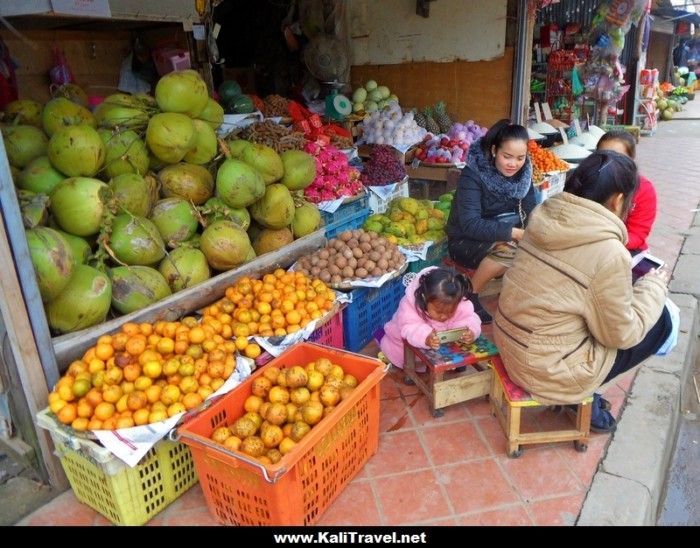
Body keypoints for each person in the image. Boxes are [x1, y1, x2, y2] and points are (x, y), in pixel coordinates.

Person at [494, 150, 672, 433]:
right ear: (618, 200)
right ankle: (584, 395)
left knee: (592, 312)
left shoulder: (542, 214)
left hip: (509, 344)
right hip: (547, 371)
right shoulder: (609, 252)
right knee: (662, 320)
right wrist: (653, 286)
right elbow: (620, 334)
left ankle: (582, 389)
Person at [446, 119, 536, 323]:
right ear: (494, 150)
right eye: (507, 157)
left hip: (506, 235)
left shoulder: (524, 176)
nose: (514, 164)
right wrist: (514, 233)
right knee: (511, 250)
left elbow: (531, 211)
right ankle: (470, 294)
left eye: (520, 158)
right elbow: (470, 224)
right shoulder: (473, 174)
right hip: (466, 240)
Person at [376, 267, 482, 371]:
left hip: (442, 344)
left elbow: (469, 317)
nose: (443, 317)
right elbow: (411, 327)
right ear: (424, 297)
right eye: (438, 312)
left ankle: (454, 362)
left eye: (450, 312)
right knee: (400, 354)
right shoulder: (409, 305)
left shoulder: (457, 301)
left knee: (459, 348)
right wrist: (425, 337)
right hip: (403, 344)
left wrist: (470, 331)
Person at [596, 130, 657, 254]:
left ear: (631, 159)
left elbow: (637, 235)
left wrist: (602, 241)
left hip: (625, 249)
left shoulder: (644, 189)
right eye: (603, 156)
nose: (609, 162)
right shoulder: (585, 181)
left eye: (618, 158)